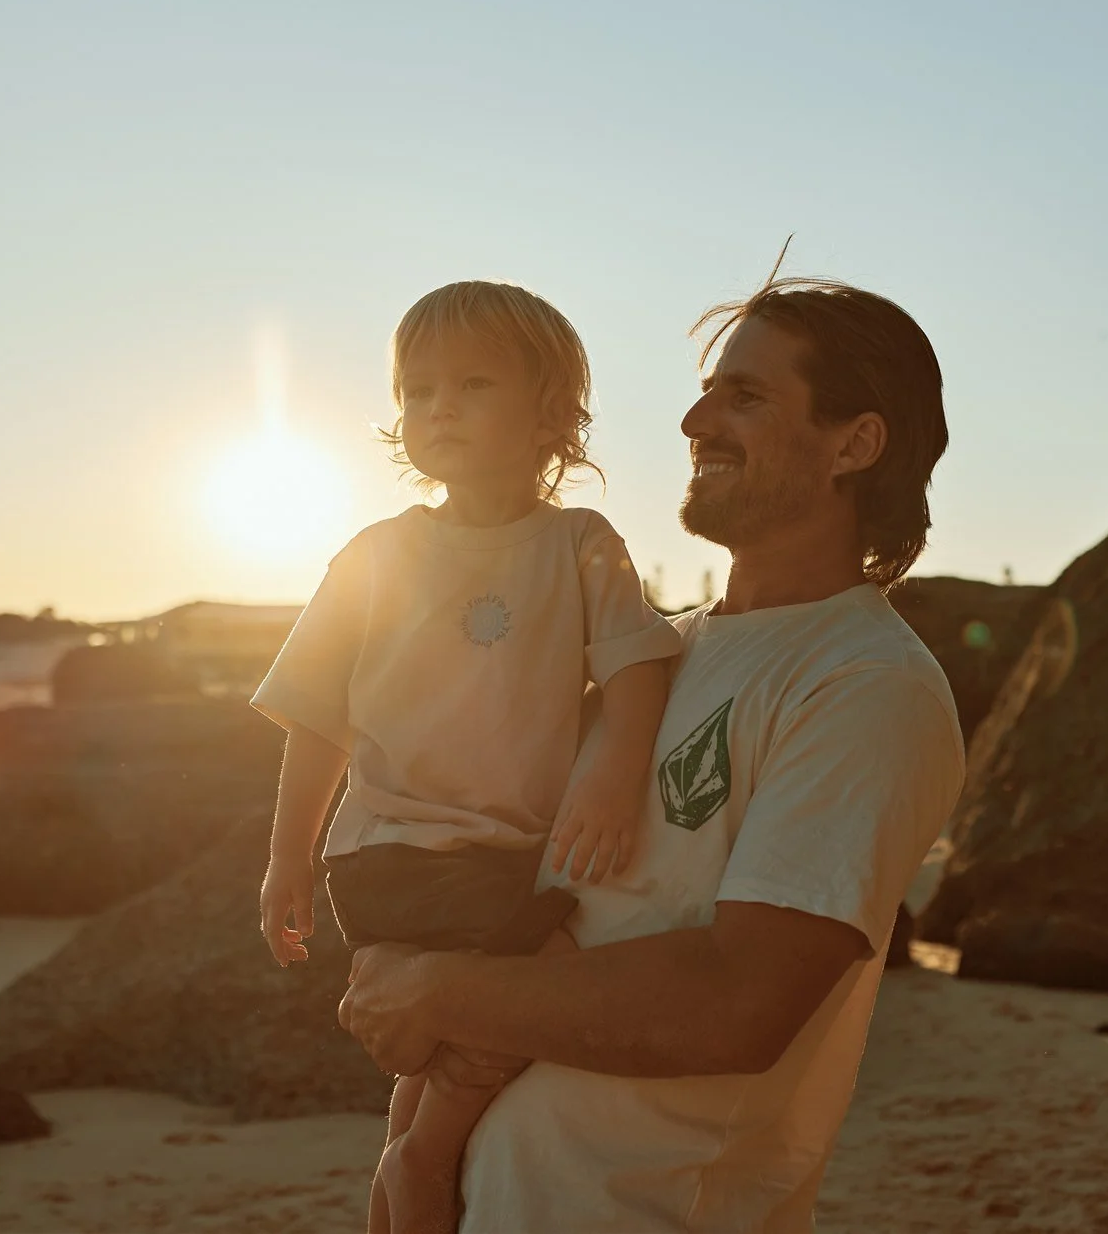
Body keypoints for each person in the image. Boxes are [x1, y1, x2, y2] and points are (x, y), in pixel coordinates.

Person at [339, 267, 966, 1232]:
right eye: (711, 387)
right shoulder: (653, 655)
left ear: (857, 442)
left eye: (745, 395)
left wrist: (436, 990)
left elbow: (740, 1001)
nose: (694, 419)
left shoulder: (863, 686)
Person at [252, 280, 683, 1234]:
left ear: (552, 417)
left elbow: (637, 665)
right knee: (539, 990)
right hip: (404, 853)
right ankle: (427, 1162)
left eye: (472, 384)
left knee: (438, 1047)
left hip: (483, 852)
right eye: (417, 390)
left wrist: (612, 774)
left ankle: (401, 1165)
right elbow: (315, 717)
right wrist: (287, 855)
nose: (437, 408)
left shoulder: (577, 543)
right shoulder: (373, 555)